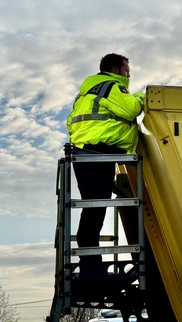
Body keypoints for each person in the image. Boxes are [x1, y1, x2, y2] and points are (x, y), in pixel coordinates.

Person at [66, 53, 145, 278]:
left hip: (86, 152)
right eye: (127, 70)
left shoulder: (86, 93)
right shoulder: (111, 87)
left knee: (93, 208)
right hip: (99, 153)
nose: (129, 74)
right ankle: (91, 267)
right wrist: (142, 98)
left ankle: (90, 263)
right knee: (95, 209)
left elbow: (71, 124)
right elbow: (130, 109)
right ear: (116, 69)